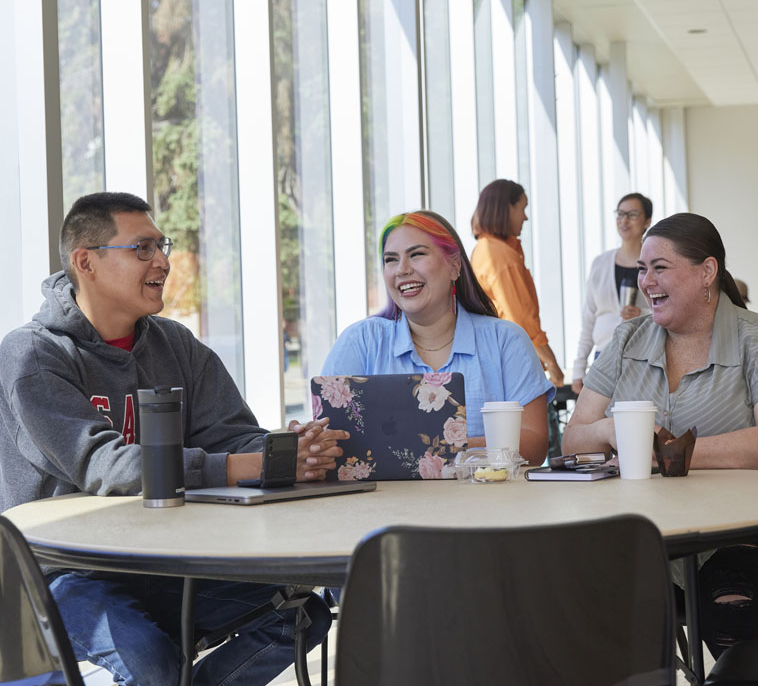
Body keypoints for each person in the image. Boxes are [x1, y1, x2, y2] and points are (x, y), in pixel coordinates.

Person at [0, 192, 341, 686]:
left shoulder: (175, 343)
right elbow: (103, 466)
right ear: (85, 261)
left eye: (163, 245)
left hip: (164, 560)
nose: (163, 261)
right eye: (142, 248)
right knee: (155, 666)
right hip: (62, 573)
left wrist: (287, 450)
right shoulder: (32, 355)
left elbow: (233, 435)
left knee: (302, 613)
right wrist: (241, 465)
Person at [561, 213, 758, 656]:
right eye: (641, 269)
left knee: (729, 597)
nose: (646, 281)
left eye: (659, 267)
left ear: (706, 272)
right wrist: (614, 429)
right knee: (570, 588)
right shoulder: (625, 341)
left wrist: (666, 454)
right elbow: (574, 439)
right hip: (665, 537)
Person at [322, 210, 552, 464]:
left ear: (454, 266)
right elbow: (327, 441)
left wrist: (427, 450)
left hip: (488, 502)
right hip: (385, 504)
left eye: (416, 254)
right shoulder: (360, 342)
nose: (402, 269)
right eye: (391, 260)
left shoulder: (506, 341)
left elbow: (534, 443)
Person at [470, 179, 564, 391]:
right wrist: (551, 362)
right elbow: (520, 318)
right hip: (510, 363)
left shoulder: (485, 249)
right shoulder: (499, 255)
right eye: (522, 208)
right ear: (506, 209)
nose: (525, 217)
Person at [571, 192, 653, 395]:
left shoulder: (655, 263)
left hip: (644, 355)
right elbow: (589, 318)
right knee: (602, 420)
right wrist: (579, 367)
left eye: (632, 214)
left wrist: (641, 314)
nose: (624, 220)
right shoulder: (600, 263)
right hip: (604, 355)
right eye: (620, 213)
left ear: (647, 222)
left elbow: (670, 311)